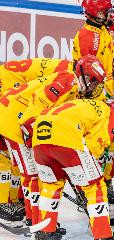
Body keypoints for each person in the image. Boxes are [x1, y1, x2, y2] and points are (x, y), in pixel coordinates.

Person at [0, 55, 106, 229]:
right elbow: (39, 101)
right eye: (94, 82)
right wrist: (29, 130)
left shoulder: (73, 85)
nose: (95, 87)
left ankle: (37, 218)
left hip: (17, 115)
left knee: (34, 174)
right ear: (85, 76)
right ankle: (34, 220)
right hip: (13, 118)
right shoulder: (69, 80)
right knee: (31, 174)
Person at [32, 99, 114, 240]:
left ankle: (46, 232)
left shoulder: (81, 104)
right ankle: (103, 235)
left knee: (51, 186)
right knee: (95, 187)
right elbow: (95, 145)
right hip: (65, 138)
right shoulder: (110, 112)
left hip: (39, 139)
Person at [0, 58, 71, 225]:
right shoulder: (67, 78)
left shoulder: (66, 72)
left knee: (20, 162)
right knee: (6, 156)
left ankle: (16, 198)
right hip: (10, 104)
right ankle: (3, 202)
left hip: (15, 101)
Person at [73, 0, 114, 96]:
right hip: (97, 94)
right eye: (107, 11)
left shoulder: (102, 29)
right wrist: (105, 97)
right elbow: (87, 77)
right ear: (99, 14)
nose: (110, 14)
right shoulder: (87, 38)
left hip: (106, 88)